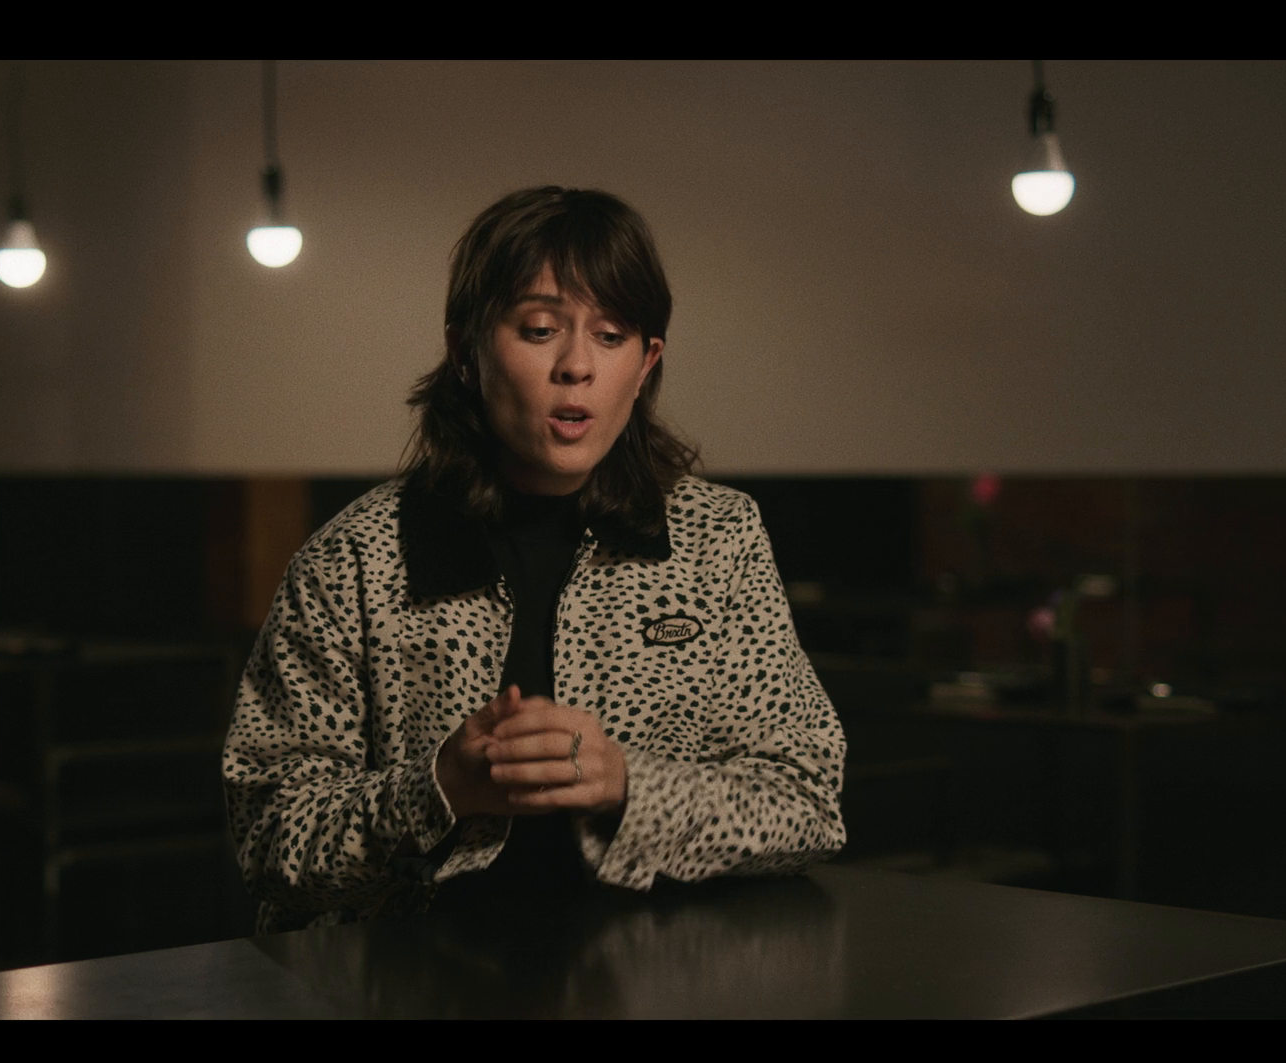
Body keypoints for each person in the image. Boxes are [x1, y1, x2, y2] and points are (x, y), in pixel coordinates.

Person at [222, 186, 846, 933]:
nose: (577, 365)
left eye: (611, 336)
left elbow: (808, 804)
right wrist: (440, 787)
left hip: (649, 970)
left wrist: (628, 785)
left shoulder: (715, 540)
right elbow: (270, 841)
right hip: (411, 973)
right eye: (541, 329)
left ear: (645, 364)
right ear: (466, 352)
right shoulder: (354, 560)